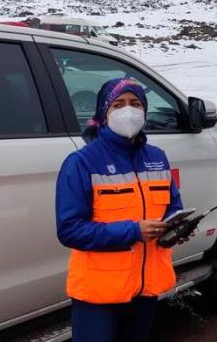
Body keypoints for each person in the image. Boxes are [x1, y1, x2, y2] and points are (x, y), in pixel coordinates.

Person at [56, 78, 185, 342]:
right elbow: (69, 230)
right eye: (119, 104)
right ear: (105, 113)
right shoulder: (82, 162)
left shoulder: (157, 157)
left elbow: (173, 207)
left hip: (145, 286)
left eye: (136, 104)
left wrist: (176, 228)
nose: (129, 111)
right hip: (98, 293)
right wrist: (133, 231)